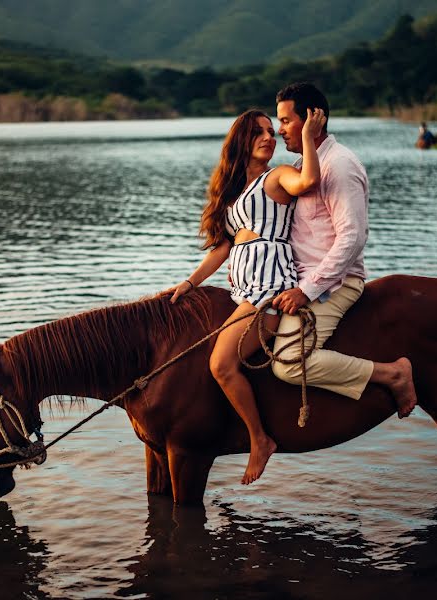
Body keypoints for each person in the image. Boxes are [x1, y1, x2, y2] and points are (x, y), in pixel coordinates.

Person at [169, 107, 327, 485]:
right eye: (259, 131)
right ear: (240, 139)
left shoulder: (278, 177)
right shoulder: (233, 191)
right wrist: (189, 284)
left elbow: (307, 181)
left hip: (270, 287)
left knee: (222, 365)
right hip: (243, 288)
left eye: (272, 131)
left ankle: (260, 439)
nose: (270, 138)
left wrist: (306, 137)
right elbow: (222, 248)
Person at [269, 82, 418, 419]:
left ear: (311, 120)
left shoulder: (339, 164)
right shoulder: (305, 166)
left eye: (285, 121)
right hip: (303, 280)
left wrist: (306, 291)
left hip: (333, 285)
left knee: (290, 365)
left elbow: (352, 237)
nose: (280, 131)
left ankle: (392, 374)